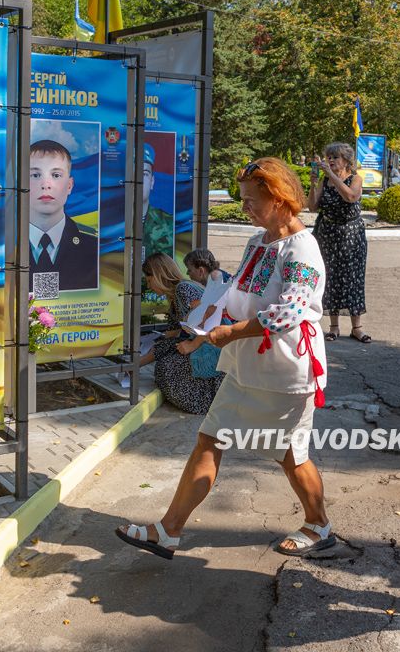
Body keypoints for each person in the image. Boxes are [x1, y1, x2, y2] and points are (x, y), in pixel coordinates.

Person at [117, 157, 334, 559]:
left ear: (281, 199)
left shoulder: (302, 248)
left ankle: (319, 526)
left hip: (285, 374)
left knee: (290, 455)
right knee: (208, 440)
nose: (244, 207)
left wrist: (230, 331)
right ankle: (169, 531)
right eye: (243, 199)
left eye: (252, 200)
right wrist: (209, 316)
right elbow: (239, 294)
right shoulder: (258, 242)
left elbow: (290, 311)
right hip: (245, 368)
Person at [137, 253, 222, 414]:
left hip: (213, 346)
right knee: (167, 354)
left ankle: (207, 403)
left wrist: (191, 345)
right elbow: (170, 337)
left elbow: (209, 318)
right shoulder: (175, 298)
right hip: (205, 344)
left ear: (159, 276)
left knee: (166, 369)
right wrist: (137, 363)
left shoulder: (183, 289)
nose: (149, 286)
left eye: (149, 280)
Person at [308, 142, 371, 343]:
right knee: (330, 277)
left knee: (353, 278)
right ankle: (333, 327)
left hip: (351, 235)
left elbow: (351, 196)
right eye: (329, 158)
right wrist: (313, 183)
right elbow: (312, 207)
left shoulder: (355, 179)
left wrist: (332, 176)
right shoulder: (325, 181)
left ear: (346, 161)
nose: (331, 161)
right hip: (327, 233)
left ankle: (356, 327)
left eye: (335, 158)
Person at [28, 139, 98, 291]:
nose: (46, 184)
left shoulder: (93, 245)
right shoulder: (3, 244)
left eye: (56, 175)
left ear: (69, 185)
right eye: (35, 175)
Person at [142, 143, 178, 258]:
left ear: (152, 182)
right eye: (132, 172)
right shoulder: (111, 222)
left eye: (144, 174)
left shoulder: (167, 222)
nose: (137, 180)